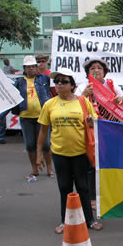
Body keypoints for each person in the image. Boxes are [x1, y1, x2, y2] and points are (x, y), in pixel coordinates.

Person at [37, 68, 103, 234]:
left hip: (80, 153)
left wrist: (90, 121)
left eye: (64, 81)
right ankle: (65, 221)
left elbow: (94, 123)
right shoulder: (49, 104)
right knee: (64, 188)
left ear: (72, 85)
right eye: (57, 81)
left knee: (83, 188)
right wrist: (39, 153)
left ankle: (89, 220)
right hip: (59, 154)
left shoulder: (83, 102)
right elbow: (43, 130)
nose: (59, 84)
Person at [75, 58, 123, 209]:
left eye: (99, 68)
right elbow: (75, 103)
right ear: (88, 73)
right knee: (92, 164)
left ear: (104, 71)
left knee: (112, 162)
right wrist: (84, 94)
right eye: (92, 68)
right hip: (91, 131)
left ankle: (114, 193)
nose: (96, 70)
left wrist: (120, 98)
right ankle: (92, 197)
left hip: (111, 129)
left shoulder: (111, 85)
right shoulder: (83, 87)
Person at [14, 55, 54, 180]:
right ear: (24, 68)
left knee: (46, 145)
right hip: (26, 117)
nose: (30, 69)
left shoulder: (44, 79)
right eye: (28, 67)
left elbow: (55, 83)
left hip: (42, 117)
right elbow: (12, 98)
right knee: (30, 145)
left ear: (36, 67)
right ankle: (34, 169)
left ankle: (49, 168)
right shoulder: (19, 82)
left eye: (32, 66)